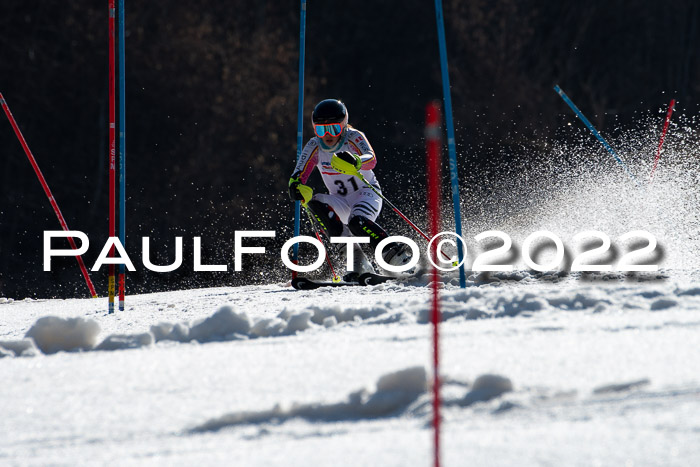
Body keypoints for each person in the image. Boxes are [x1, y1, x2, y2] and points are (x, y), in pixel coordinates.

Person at [288, 99, 411, 280]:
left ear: (344, 126)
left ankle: (398, 258)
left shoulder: (353, 137)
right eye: (321, 130)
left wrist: (356, 160)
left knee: (357, 222)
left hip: (366, 194)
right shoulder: (314, 146)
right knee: (315, 204)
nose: (327, 135)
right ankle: (357, 262)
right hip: (340, 200)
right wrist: (295, 186)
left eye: (334, 128)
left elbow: (371, 159)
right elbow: (298, 174)